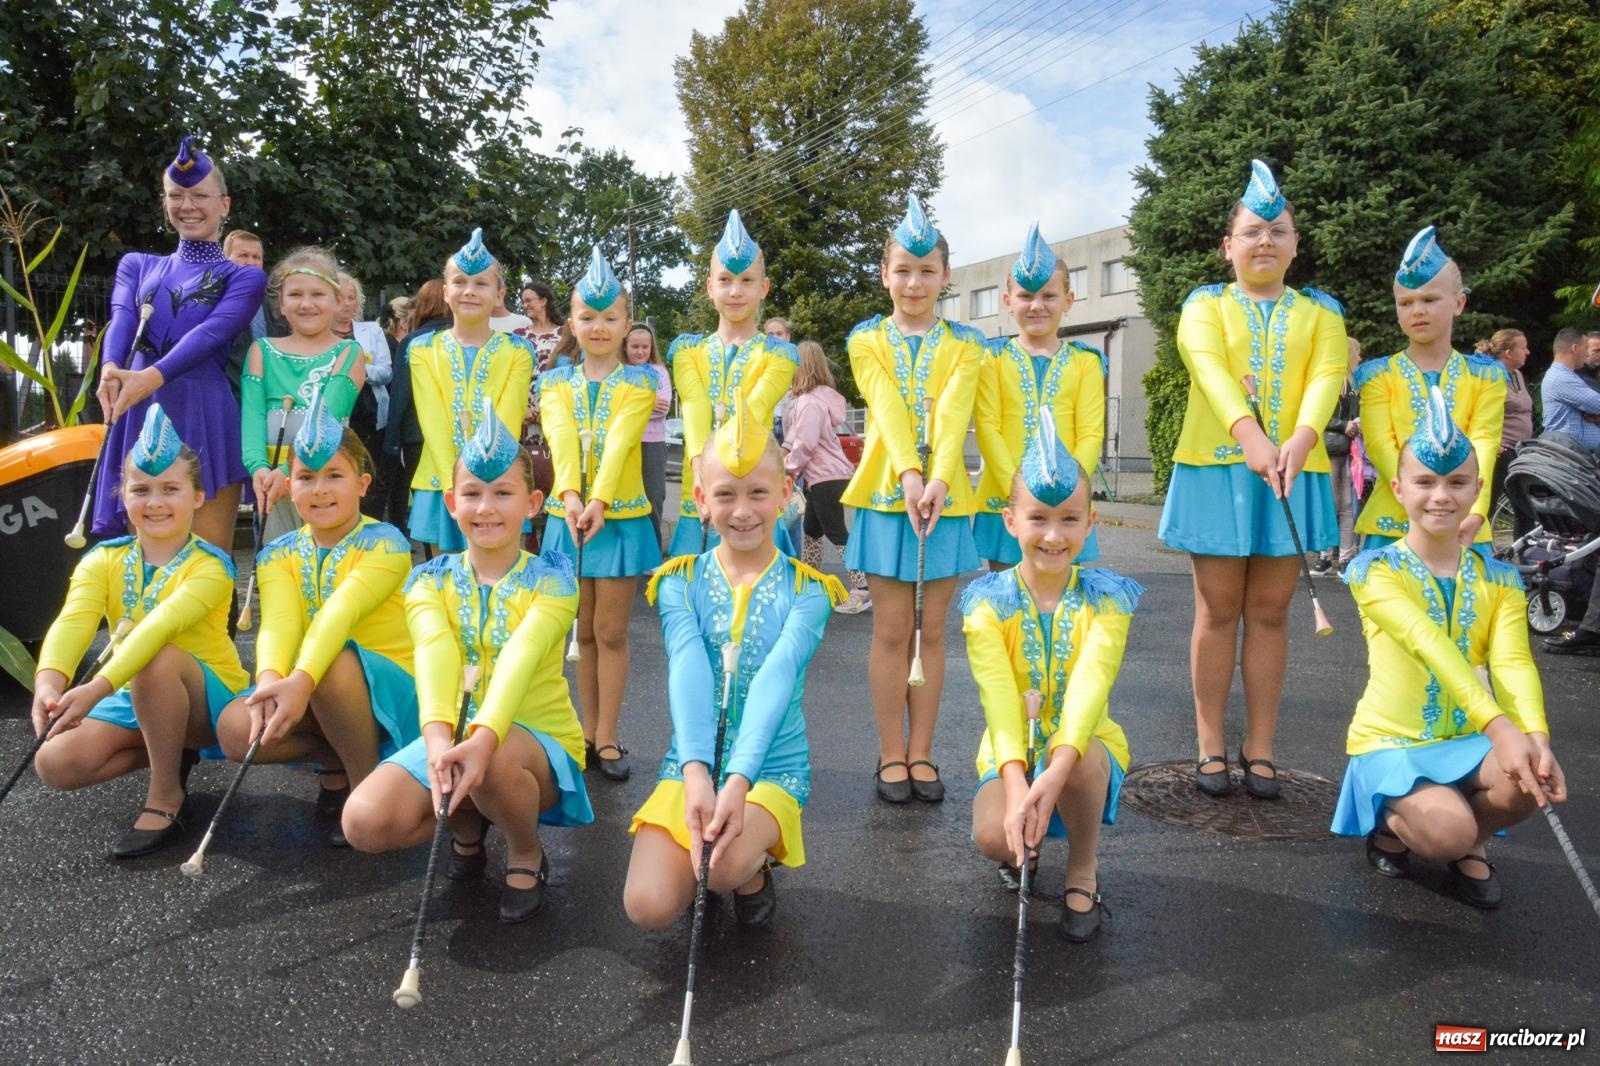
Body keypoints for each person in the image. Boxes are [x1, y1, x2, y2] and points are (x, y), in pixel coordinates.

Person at [342, 405, 591, 923]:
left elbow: (522, 656)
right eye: (473, 493)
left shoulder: (553, 582)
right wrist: (436, 742)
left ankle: (525, 851)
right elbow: (435, 649)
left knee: (489, 757)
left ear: (533, 503)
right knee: (363, 822)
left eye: (503, 493)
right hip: (451, 732)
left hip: (531, 740)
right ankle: (467, 829)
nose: (486, 508)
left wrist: (481, 737)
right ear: (452, 502)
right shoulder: (427, 580)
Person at [1156, 161, 1346, 800]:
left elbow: (1325, 377)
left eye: (1279, 230)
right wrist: (1250, 434)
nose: (1265, 240)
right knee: (1217, 609)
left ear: (1295, 244)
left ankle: (1259, 744)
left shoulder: (1321, 312)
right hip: (1217, 467)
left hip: (1294, 465)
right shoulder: (1203, 304)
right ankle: (1211, 739)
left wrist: (1300, 438)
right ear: (1229, 245)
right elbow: (1207, 367)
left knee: (1270, 612)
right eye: (1253, 230)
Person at [1334, 387, 1565, 908]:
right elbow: (1427, 643)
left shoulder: (1500, 578)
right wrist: (1500, 727)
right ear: (1398, 488)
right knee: (1447, 833)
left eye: (1457, 482)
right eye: (1425, 482)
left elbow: (1510, 660)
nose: (1441, 496)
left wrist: (1534, 734)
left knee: (1529, 780)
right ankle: (1397, 828)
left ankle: (1471, 836)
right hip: (1396, 739)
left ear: (1478, 489)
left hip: (1468, 737)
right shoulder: (1374, 571)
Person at [624, 403, 846, 930]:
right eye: (725, 494)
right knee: (647, 905)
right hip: (693, 762)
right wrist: (698, 772)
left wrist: (739, 779)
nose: (742, 510)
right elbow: (687, 667)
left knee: (718, 869)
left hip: (769, 767)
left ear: (786, 494)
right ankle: (720, 851)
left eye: (758, 493)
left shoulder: (809, 591)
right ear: (701, 500)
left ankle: (751, 871)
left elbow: (777, 677)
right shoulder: (678, 580)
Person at [32, 405, 247, 856]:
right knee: (55, 762)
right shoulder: (103, 559)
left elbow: (159, 627)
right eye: (141, 489)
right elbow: (74, 619)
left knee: (157, 655)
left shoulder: (211, 566)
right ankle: (168, 750)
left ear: (198, 497)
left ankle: (165, 794)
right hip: (136, 693)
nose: (155, 502)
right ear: (123, 497)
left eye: (171, 489)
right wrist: (48, 684)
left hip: (208, 698)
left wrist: (93, 690)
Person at [965, 413, 1142, 942]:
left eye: (1069, 519)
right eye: (1038, 518)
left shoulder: (1108, 598)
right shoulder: (987, 604)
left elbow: (1093, 683)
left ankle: (1082, 868)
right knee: (992, 835)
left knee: (1082, 754)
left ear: (1091, 523)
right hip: (1009, 747)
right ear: (1011, 520)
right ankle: (1023, 846)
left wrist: (1056, 764)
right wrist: (1018, 782)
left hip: (1085, 746)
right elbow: (998, 696)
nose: (1053, 535)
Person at [215, 391, 419, 846]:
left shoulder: (387, 544)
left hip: (391, 688)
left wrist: (301, 679)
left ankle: (367, 788)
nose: (321, 489)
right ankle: (336, 763)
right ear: (289, 485)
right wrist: (269, 682)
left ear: (363, 485)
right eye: (307, 477)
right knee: (235, 728)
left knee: (335, 661)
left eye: (335, 476)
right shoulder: (277, 554)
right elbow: (280, 624)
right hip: (315, 682)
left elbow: (340, 612)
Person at [845, 194, 986, 805]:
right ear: (884, 274)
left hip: (946, 498)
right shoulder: (864, 339)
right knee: (891, 628)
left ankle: (923, 750)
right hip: (883, 497)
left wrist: (939, 478)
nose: (914, 282)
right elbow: (885, 405)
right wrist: (908, 472)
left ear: (946, 277)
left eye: (927, 271)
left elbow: (955, 416)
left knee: (933, 631)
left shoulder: (968, 343)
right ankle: (889, 753)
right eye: (902, 269)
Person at [94, 136, 265, 550]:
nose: (188, 206)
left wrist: (149, 378)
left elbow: (211, 334)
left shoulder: (243, 276)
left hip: (203, 410)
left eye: (200, 196)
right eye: (177, 196)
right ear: (164, 203)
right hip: (139, 408)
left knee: (208, 560)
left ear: (224, 204)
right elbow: (122, 318)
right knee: (149, 558)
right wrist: (111, 370)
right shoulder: (136, 264)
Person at [540, 247, 662, 782]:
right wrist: (570, 495)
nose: (598, 327)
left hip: (620, 517)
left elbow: (618, 444)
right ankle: (579, 733)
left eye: (610, 317)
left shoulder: (640, 383)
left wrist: (598, 501)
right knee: (576, 633)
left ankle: (607, 734)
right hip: (566, 516)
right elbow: (562, 437)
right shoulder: (554, 384)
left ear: (626, 323)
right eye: (587, 317)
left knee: (609, 631)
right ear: (571, 323)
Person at [1354, 228, 1505, 554]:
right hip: (1393, 523)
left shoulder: (1485, 376)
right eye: (1405, 303)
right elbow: (1381, 445)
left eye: (1429, 299)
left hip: (1465, 522)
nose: (1417, 310)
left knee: (1468, 604)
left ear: (1459, 303)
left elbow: (1484, 442)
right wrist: (1424, 498)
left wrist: (1476, 512)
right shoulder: (1378, 374)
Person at [973, 223, 1105, 571]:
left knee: (1063, 609)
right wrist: (1019, 495)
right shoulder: (992, 358)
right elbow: (988, 427)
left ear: (1068, 300)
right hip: (1005, 499)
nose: (1037, 306)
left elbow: (1091, 432)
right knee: (1009, 605)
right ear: (1007, 301)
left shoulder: (1086, 362)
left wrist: (1069, 494)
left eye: (1048, 296)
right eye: (1025, 296)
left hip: (1067, 507)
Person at [667, 210, 798, 557]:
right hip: (698, 491)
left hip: (755, 490)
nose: (735, 291)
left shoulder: (780, 355)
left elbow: (752, 411)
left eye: (746, 280)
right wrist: (700, 473)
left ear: (764, 287)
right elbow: (694, 405)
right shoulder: (687, 350)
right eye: (725, 280)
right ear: (710, 287)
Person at [407, 230, 536, 552]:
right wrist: (459, 485)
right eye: (460, 282)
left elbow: (506, 418)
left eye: (481, 283)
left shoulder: (518, 351)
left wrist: (483, 481)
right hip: (440, 481)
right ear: (446, 291)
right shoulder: (422, 349)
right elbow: (432, 419)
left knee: (503, 582)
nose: (470, 291)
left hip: (501, 479)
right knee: (448, 585)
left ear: (499, 293)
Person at [241, 247, 367, 543]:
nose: (306, 304)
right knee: (279, 563)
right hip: (273, 481)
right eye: (295, 295)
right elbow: (252, 416)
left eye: (318, 295)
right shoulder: (262, 350)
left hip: (328, 477)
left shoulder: (348, 352)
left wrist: (289, 473)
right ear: (281, 304)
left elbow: (329, 418)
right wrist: (258, 467)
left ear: (337, 302)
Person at [784, 339, 871, 612]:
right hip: (827, 476)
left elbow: (806, 443)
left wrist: (787, 469)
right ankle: (811, 584)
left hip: (825, 477)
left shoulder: (809, 403)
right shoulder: (816, 400)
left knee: (836, 534)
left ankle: (862, 589)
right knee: (811, 532)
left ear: (800, 368)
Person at [382, 279, 448, 531]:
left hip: (415, 433)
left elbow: (400, 393)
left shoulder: (413, 342)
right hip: (456, 430)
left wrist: (391, 440)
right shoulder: (463, 339)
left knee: (420, 495)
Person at [336, 273, 394, 521]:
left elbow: (386, 372)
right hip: (338, 411)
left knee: (370, 471)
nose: (347, 303)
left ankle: (371, 525)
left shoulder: (371, 331)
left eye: (352, 297)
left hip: (370, 413)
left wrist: (356, 369)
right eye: (341, 297)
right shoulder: (317, 331)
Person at [1313, 337, 1363, 573]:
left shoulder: (1354, 386)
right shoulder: (1333, 383)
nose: (1360, 358)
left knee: (1343, 504)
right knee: (1336, 503)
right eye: (1358, 353)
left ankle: (1341, 556)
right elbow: (1318, 414)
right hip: (1335, 449)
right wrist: (1345, 425)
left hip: (1345, 450)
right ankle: (1330, 555)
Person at [625, 323, 673, 551]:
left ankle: (652, 552)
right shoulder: (619, 371)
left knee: (653, 497)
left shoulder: (659, 372)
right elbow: (615, 409)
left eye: (645, 347)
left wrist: (631, 402)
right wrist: (647, 401)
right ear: (624, 346)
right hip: (625, 442)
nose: (640, 351)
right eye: (635, 346)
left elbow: (662, 409)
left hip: (653, 444)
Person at [1484, 329, 1535, 537]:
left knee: (1526, 510)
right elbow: (1484, 414)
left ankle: (1523, 556)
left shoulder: (1518, 375)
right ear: (1508, 352)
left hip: (1520, 452)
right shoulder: (1492, 377)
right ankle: (1474, 552)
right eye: (1523, 348)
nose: (1528, 352)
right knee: (1487, 507)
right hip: (1501, 453)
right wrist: (1496, 445)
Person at [222, 229, 267, 404]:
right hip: (226, 399)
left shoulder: (275, 302)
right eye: (243, 255)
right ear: (226, 259)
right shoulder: (211, 300)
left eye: (256, 257)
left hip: (265, 397)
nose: (251, 262)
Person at [1539, 328, 1600, 451]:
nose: (1587, 354)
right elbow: (1597, 403)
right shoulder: (1561, 378)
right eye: (1585, 347)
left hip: (1575, 455)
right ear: (1575, 349)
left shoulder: (1568, 375)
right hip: (1565, 456)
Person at [518, 280, 565, 362]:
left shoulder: (564, 333)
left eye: (528, 300)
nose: (524, 306)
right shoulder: (519, 335)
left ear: (543, 301)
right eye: (523, 302)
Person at [765, 316, 794, 442]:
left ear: (788, 337)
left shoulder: (795, 361)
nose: (775, 337)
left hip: (789, 422)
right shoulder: (758, 360)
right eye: (770, 334)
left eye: (779, 333)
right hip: (766, 422)